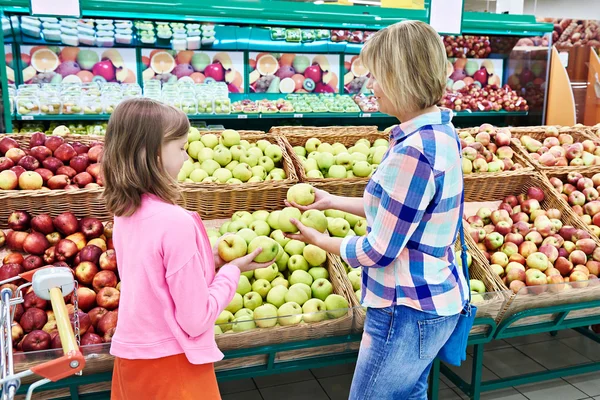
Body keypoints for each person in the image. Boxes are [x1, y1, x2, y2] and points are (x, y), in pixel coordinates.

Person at [285, 20, 468, 399]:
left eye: (377, 76)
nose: (372, 86)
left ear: (402, 77)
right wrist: (332, 201)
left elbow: (379, 250)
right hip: (435, 300)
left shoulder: (412, 152)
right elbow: (399, 214)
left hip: (406, 309)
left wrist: (319, 239)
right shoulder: (439, 134)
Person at [102, 98, 274, 400]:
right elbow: (195, 320)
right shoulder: (176, 222)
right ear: (154, 153)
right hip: (174, 366)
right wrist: (232, 272)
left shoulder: (124, 211)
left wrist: (207, 259)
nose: (186, 158)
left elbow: (153, 279)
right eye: (181, 148)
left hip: (131, 361)